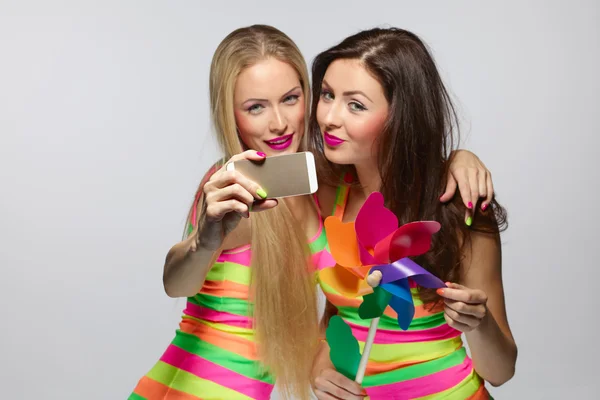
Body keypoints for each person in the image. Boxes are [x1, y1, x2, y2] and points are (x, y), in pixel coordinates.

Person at [129, 25, 498, 400]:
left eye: (290, 98)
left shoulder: (321, 183)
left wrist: (458, 159)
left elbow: (390, 168)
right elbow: (176, 284)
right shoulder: (231, 188)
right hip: (193, 385)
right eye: (255, 107)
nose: (279, 123)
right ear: (231, 114)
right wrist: (204, 239)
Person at [309, 27, 518, 400]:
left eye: (355, 104)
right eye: (327, 95)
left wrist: (479, 323)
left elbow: (500, 371)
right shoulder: (325, 195)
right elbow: (340, 317)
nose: (329, 117)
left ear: (401, 117)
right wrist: (321, 368)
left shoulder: (460, 207)